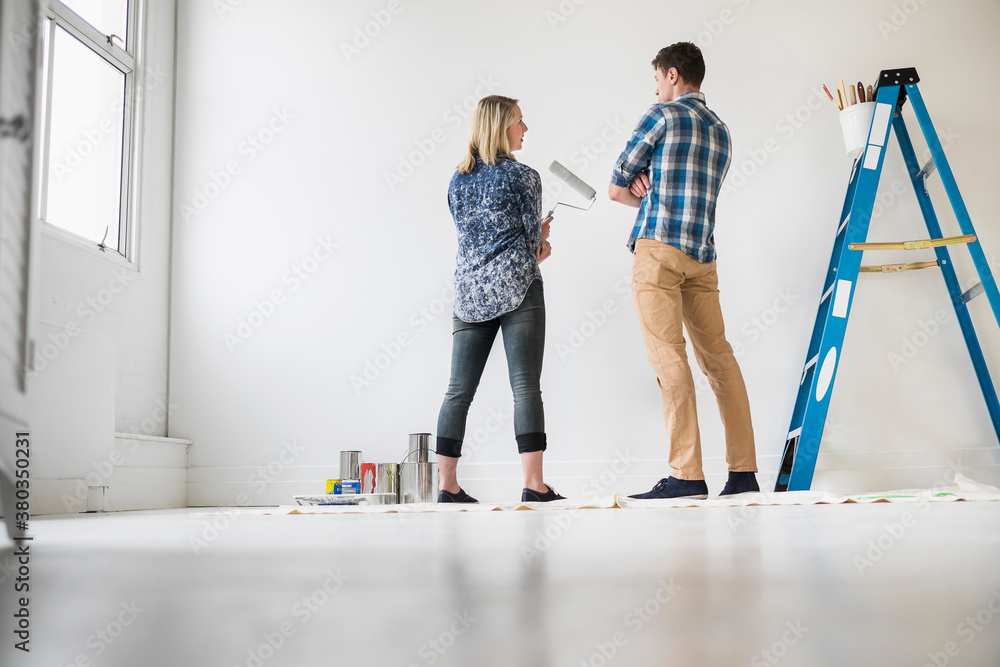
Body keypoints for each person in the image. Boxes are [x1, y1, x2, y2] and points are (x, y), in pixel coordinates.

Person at [608, 42, 759, 499]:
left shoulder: (663, 116)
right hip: (702, 256)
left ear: (673, 75)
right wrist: (650, 182)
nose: (655, 89)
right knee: (720, 360)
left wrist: (644, 185)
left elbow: (616, 186)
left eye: (657, 79)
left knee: (668, 358)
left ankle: (686, 475)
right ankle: (743, 474)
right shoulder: (721, 130)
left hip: (658, 250)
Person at [435, 95, 564, 504]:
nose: (525, 129)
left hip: (469, 295)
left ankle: (447, 488)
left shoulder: (457, 180)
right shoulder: (524, 176)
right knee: (525, 387)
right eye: (520, 121)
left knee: (458, 391)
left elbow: (474, 236)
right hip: (518, 291)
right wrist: (542, 239)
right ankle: (534, 486)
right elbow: (531, 248)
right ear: (501, 126)